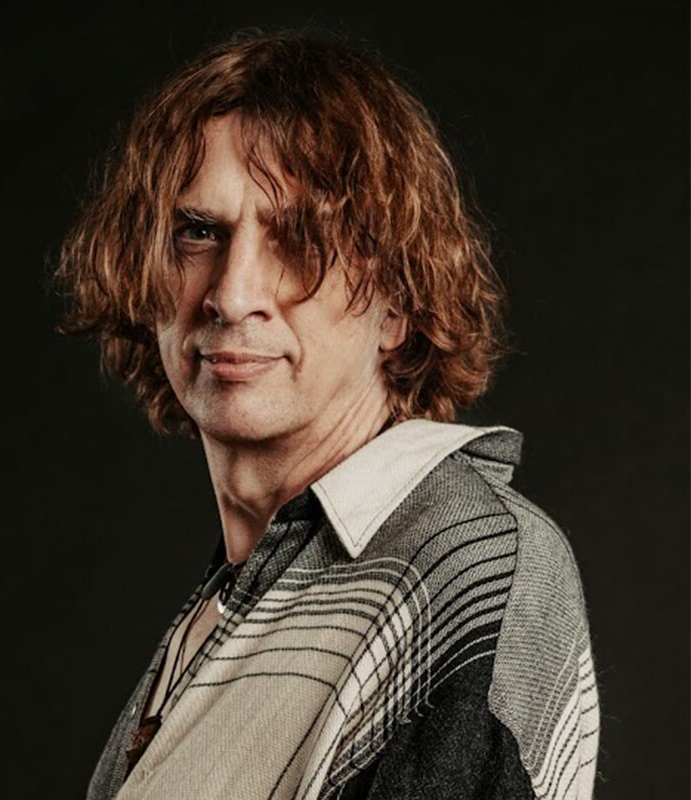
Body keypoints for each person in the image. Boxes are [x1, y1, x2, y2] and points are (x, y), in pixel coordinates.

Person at [54, 30, 599, 800]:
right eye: (199, 232)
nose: (232, 294)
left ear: (397, 303)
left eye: (297, 237)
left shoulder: (469, 566)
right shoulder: (224, 607)